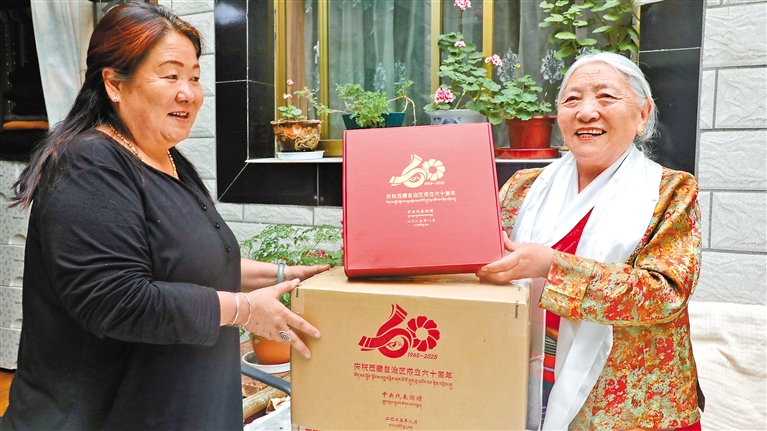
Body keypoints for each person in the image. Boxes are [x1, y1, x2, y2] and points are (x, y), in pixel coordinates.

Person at [2, 4, 326, 430]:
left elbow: (183, 260)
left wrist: (284, 274)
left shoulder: (167, 159)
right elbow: (118, 300)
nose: (188, 92)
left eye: (194, 77)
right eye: (170, 75)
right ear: (115, 84)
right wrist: (245, 310)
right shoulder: (87, 164)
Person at [477, 52, 704, 431]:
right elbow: (479, 258)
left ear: (642, 114)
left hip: (631, 405)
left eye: (606, 97)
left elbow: (664, 293)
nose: (586, 112)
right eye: (572, 100)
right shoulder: (523, 188)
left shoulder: (670, 191)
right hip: (530, 378)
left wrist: (552, 267)